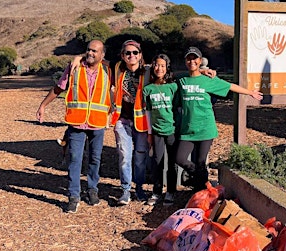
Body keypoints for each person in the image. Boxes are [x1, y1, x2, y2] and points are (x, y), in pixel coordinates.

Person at [36, 40, 112, 213]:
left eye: (95, 51)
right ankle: (73, 196)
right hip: (77, 122)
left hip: (97, 122)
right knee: (75, 159)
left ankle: (92, 190)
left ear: (102, 55)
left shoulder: (108, 71)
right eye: (88, 50)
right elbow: (59, 88)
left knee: (95, 159)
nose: (90, 53)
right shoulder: (75, 68)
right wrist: (43, 105)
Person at [175, 46, 263, 191]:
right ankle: (201, 180)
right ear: (185, 61)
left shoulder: (208, 81)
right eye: (189, 58)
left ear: (200, 60)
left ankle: (201, 193)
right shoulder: (182, 80)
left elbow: (230, 86)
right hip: (188, 129)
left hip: (205, 128)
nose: (192, 61)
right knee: (180, 159)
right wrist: (202, 70)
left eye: (195, 58)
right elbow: (170, 74)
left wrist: (249, 92)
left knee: (201, 161)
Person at [110, 40, 153, 205]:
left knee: (140, 157)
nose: (131, 56)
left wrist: (203, 72)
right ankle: (125, 190)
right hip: (123, 120)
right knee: (124, 156)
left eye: (135, 53)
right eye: (128, 53)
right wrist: (79, 58)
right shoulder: (118, 69)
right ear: (122, 56)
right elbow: (97, 59)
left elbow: (168, 74)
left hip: (141, 121)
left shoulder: (148, 72)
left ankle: (140, 188)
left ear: (140, 55)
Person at [142, 54, 179, 206]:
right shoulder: (148, 89)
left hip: (171, 130)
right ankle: (157, 191)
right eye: (156, 65)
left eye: (163, 65)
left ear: (167, 68)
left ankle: (170, 192)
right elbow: (148, 113)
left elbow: (178, 108)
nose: (159, 68)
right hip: (156, 131)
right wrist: (150, 133)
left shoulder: (173, 87)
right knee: (157, 162)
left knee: (172, 163)